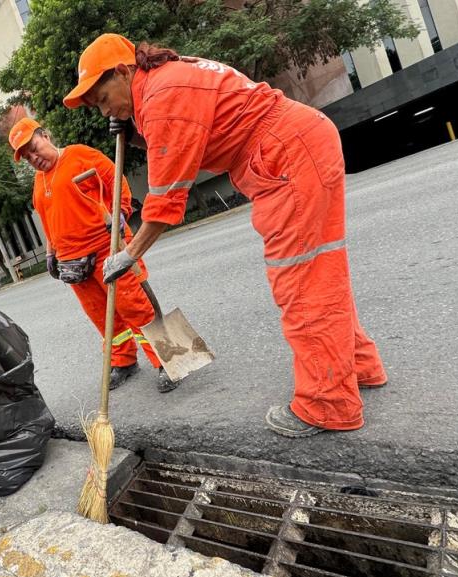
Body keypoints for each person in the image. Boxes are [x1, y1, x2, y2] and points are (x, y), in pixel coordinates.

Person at [63, 34, 387, 438]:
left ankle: (327, 402)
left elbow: (160, 198)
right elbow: (196, 131)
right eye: (95, 106)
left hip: (281, 158)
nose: (103, 109)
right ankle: (358, 366)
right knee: (319, 275)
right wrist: (132, 132)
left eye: (102, 97)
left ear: (125, 70)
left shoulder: (153, 103)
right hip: (294, 147)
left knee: (301, 284)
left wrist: (127, 249)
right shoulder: (166, 79)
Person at [8, 117, 175, 392]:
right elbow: (48, 220)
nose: (33, 157)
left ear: (45, 135)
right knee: (103, 317)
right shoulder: (39, 183)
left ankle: (167, 359)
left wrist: (121, 212)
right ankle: (123, 361)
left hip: (107, 248)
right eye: (27, 157)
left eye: (34, 147)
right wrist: (51, 253)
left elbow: (114, 178)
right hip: (73, 263)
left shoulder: (80, 156)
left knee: (135, 307)